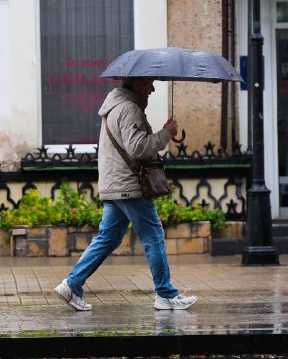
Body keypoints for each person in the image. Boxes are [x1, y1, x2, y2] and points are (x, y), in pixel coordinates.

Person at [53, 77, 198, 311]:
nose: (152, 88)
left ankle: (72, 284)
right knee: (154, 235)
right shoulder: (129, 108)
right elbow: (138, 148)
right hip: (129, 186)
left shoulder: (115, 106)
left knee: (107, 238)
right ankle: (166, 294)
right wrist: (166, 134)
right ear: (137, 84)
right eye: (149, 83)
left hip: (115, 185)